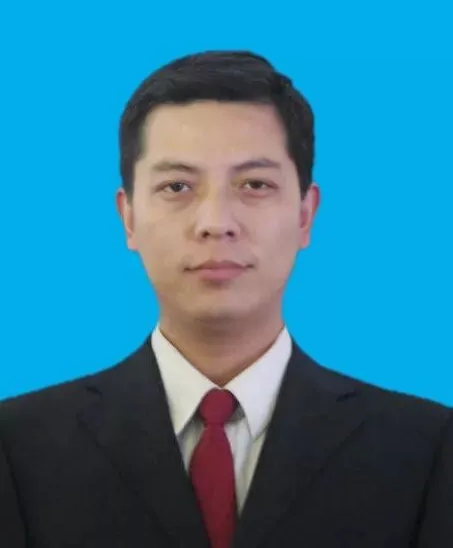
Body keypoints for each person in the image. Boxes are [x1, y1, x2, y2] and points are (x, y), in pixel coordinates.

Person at [0, 50, 452, 548]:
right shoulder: (18, 446)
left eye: (255, 184)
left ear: (305, 215)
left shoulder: (425, 449)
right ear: (128, 217)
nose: (216, 223)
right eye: (177, 186)